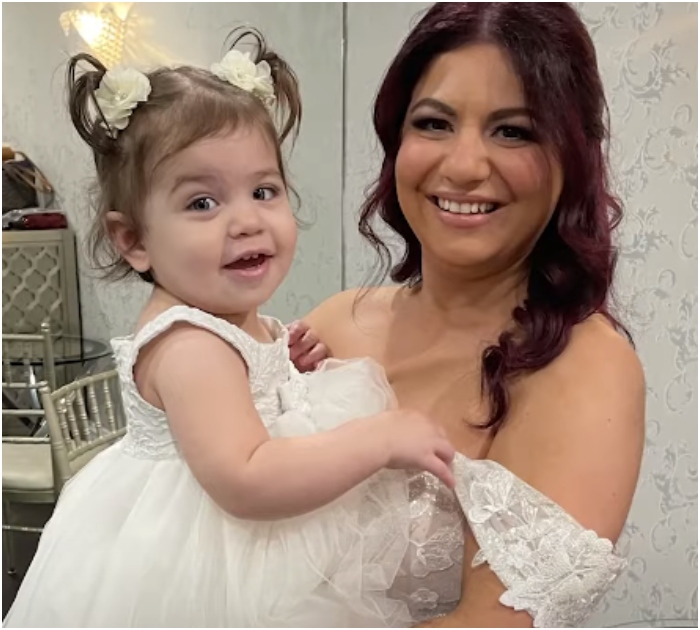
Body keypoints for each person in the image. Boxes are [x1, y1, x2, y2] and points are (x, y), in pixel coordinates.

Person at [3, 30, 457, 628]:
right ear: (133, 240)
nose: (246, 220)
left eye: (263, 191)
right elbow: (247, 477)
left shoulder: (227, 323)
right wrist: (379, 439)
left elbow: (246, 404)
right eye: (202, 203)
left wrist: (286, 372)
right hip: (200, 562)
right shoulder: (190, 346)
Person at [293, 3, 646, 627]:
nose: (462, 166)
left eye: (513, 132)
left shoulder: (587, 366)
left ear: (573, 158)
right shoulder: (336, 321)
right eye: (433, 123)